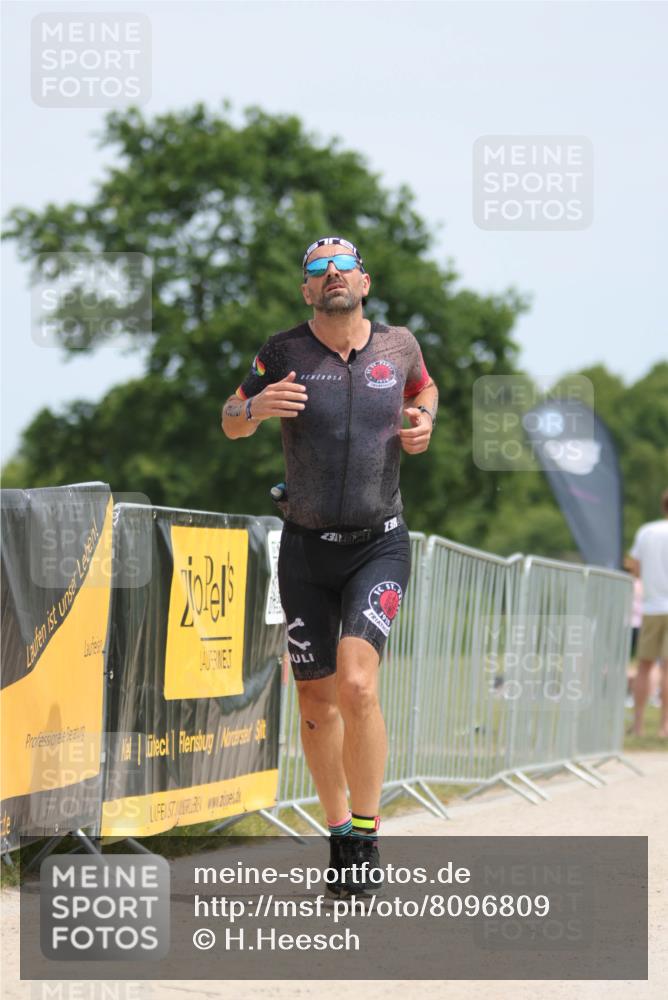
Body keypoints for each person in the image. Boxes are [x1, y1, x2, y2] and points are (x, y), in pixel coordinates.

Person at [221, 236, 437, 896]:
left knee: (358, 685)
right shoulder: (283, 352)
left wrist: (423, 420)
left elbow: (426, 391)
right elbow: (229, 417)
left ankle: (366, 834)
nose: (332, 274)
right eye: (317, 266)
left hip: (380, 543)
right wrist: (254, 409)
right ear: (306, 289)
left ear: (364, 282)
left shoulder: (398, 346)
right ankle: (340, 832)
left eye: (344, 265)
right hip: (306, 549)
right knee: (315, 701)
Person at [627, 488, 668, 738]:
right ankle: (665, 726)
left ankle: (639, 725)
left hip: (651, 606)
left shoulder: (647, 531)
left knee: (644, 666)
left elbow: (634, 567)